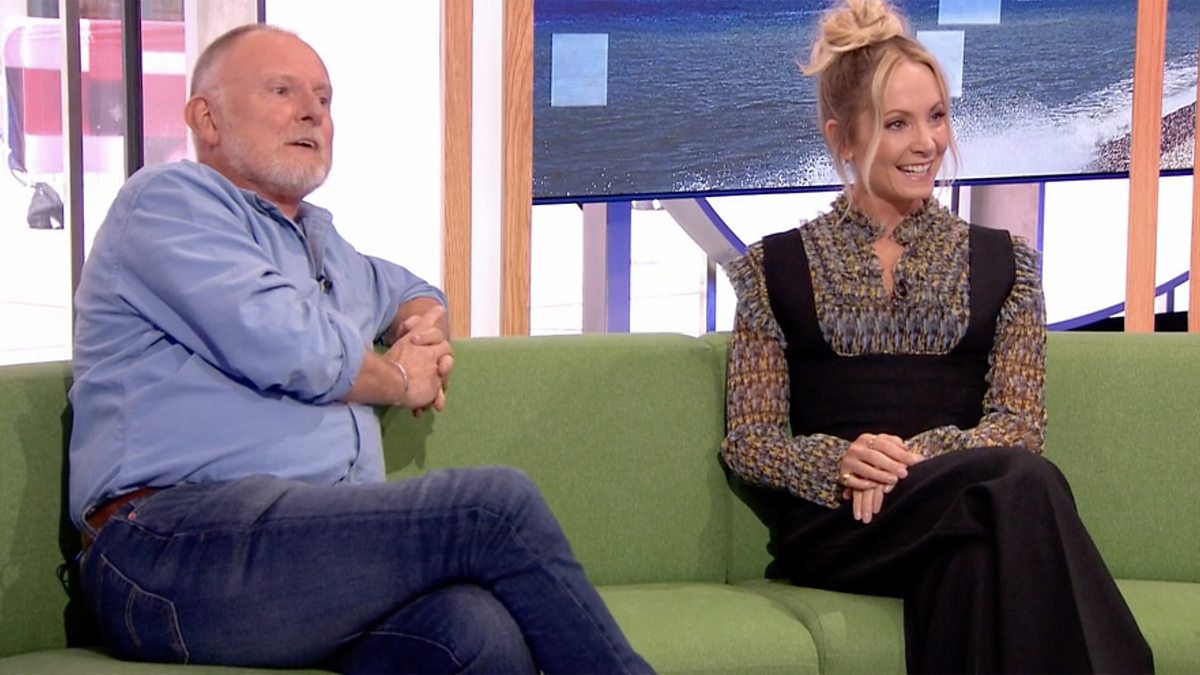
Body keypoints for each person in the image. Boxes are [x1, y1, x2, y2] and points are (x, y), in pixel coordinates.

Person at [68, 23, 652, 674]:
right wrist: (400, 381)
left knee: (473, 629)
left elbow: (415, 292)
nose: (312, 112)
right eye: (282, 91)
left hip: (304, 555)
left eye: (323, 98)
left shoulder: (328, 251)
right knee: (492, 508)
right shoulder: (167, 203)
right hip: (167, 547)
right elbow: (286, 341)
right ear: (206, 118)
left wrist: (422, 328)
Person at [720, 1, 1153, 672]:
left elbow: (1018, 427)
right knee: (1021, 484)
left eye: (937, 116)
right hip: (842, 526)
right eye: (898, 123)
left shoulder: (1008, 264)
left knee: (975, 553)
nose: (927, 143)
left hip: (963, 510)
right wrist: (841, 462)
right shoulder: (771, 267)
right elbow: (750, 440)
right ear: (844, 139)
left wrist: (911, 458)